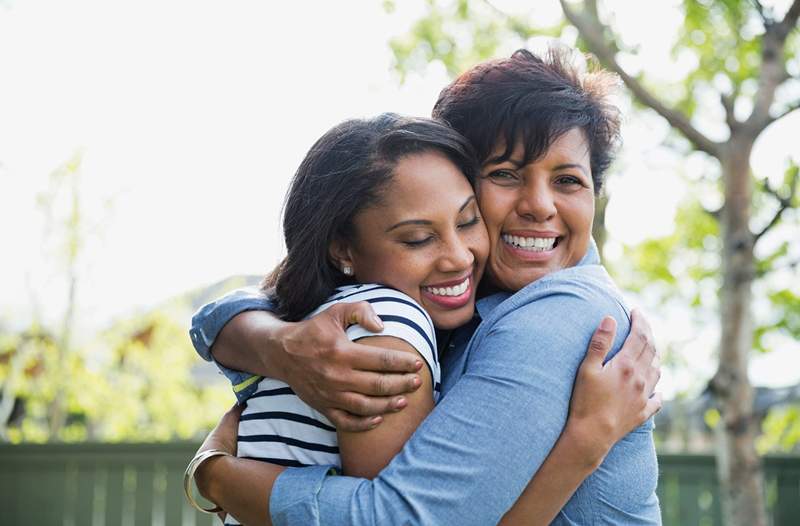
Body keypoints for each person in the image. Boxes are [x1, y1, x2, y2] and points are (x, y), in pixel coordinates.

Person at [190, 48, 662, 525]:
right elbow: (217, 321)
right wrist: (278, 344)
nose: (540, 205)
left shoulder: (557, 315)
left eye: (568, 180)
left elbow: (403, 519)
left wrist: (216, 476)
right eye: (504, 173)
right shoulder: (459, 294)